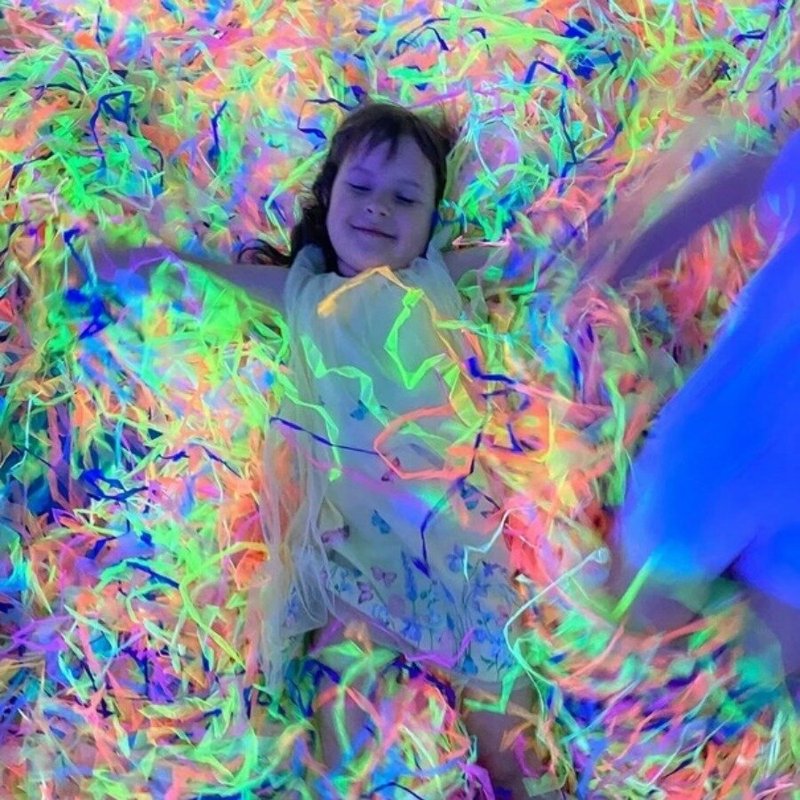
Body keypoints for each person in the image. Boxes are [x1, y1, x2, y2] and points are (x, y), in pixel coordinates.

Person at [84, 100, 558, 799]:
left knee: (515, 757)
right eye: (360, 187)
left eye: (405, 198)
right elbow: (208, 275)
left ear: (433, 220)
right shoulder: (304, 290)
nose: (378, 208)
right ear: (328, 196)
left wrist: (591, 248)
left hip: (459, 555)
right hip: (348, 565)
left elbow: (531, 261)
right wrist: (144, 258)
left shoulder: (435, 277)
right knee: (343, 758)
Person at [607, 130, 800, 679]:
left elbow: (739, 178)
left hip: (742, 459)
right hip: (724, 443)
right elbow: (740, 177)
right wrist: (617, 266)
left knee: (756, 690)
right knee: (632, 643)